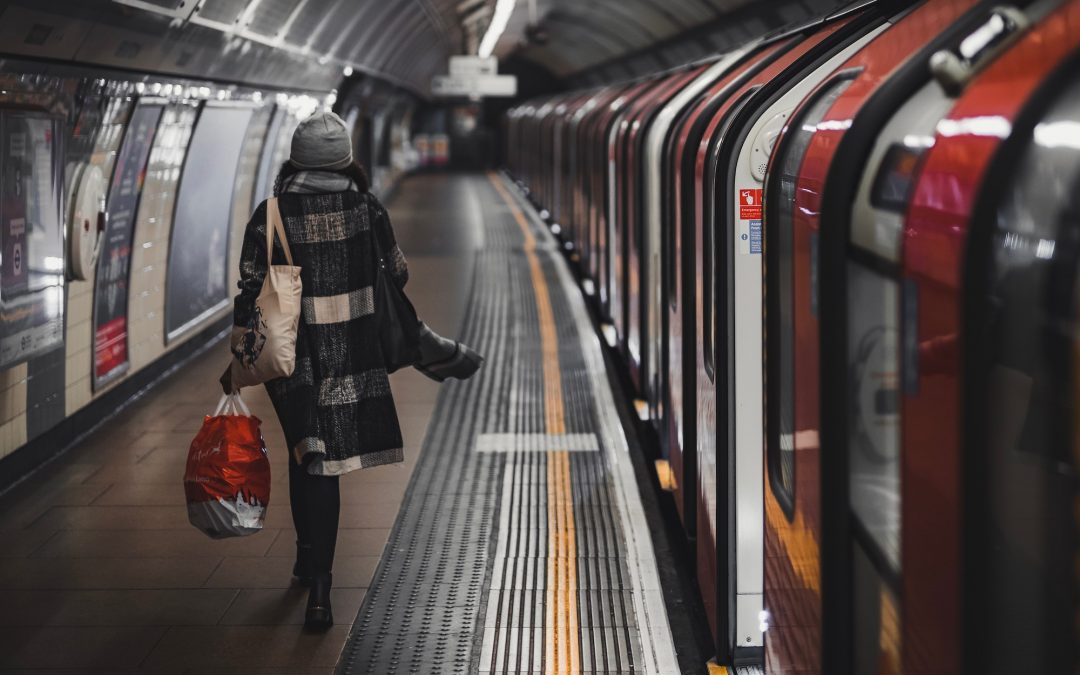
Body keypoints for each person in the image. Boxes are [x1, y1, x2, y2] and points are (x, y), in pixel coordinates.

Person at [221, 111, 408, 631]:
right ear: (346, 159)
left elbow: (249, 289)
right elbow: (398, 273)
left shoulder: (272, 212)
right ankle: (320, 590)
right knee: (326, 465)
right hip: (351, 354)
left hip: (291, 361)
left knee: (307, 452)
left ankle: (309, 563)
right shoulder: (366, 208)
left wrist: (240, 354)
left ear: (295, 159)